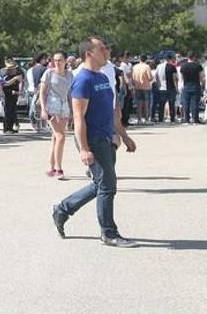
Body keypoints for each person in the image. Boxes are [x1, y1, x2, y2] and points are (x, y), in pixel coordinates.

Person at [52, 37, 138, 248]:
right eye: (102, 48)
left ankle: (62, 209)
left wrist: (124, 136)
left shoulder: (101, 77)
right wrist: (84, 149)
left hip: (107, 137)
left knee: (101, 183)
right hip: (92, 140)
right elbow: (79, 118)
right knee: (108, 185)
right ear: (89, 53)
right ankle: (108, 232)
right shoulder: (83, 80)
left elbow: (111, 112)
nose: (106, 51)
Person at [40, 52, 73, 180]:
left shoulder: (70, 75)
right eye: (55, 60)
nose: (57, 63)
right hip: (51, 106)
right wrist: (43, 110)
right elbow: (42, 93)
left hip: (64, 107)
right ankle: (59, 168)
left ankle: (51, 167)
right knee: (61, 137)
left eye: (60, 60)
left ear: (65, 61)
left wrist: (72, 111)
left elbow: (70, 94)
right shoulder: (48, 73)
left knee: (55, 137)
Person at [180, 52, 205, 124]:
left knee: (186, 103)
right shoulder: (198, 65)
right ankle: (195, 119)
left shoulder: (183, 66)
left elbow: (181, 77)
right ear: (194, 57)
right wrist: (201, 83)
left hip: (186, 85)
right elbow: (201, 76)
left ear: (188, 57)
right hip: (195, 85)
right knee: (195, 103)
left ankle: (186, 119)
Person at [0, 58, 23, 134]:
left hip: (14, 96)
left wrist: (19, 91)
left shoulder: (17, 74)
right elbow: (4, 84)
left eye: (14, 69)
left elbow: (21, 82)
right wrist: (14, 79)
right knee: (8, 112)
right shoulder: (5, 75)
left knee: (13, 112)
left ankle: (11, 127)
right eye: (12, 69)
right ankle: (7, 128)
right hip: (7, 95)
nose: (14, 70)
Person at [27, 54, 48, 133]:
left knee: (35, 108)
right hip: (41, 90)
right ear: (42, 59)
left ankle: (37, 126)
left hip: (33, 90)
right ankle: (43, 125)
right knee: (42, 107)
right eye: (45, 59)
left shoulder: (32, 69)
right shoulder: (44, 69)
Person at [156, 56, 179, 123]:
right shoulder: (172, 67)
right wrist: (176, 87)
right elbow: (174, 78)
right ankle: (172, 118)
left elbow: (156, 77)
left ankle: (160, 118)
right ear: (170, 59)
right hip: (170, 87)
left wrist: (158, 85)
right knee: (171, 104)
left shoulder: (158, 66)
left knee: (161, 104)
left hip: (161, 88)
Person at [131, 54, 152, 124]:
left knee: (139, 104)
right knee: (146, 103)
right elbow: (150, 77)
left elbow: (132, 77)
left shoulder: (135, 67)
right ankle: (146, 119)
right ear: (146, 59)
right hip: (146, 87)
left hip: (137, 86)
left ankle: (139, 119)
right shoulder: (147, 67)